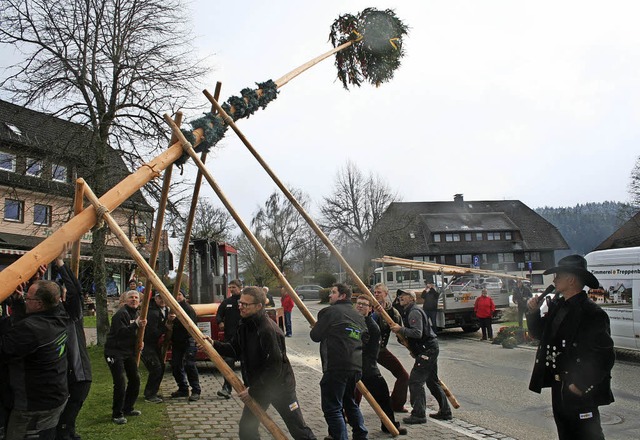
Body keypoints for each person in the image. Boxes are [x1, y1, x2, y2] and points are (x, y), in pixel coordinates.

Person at [208, 286, 316, 440]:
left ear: (259, 306)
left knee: (299, 430)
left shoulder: (268, 330)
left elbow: (275, 368)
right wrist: (213, 344)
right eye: (240, 303)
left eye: (245, 304)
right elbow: (234, 349)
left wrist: (252, 390)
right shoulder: (244, 324)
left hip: (280, 388)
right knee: (247, 429)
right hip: (258, 388)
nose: (241, 307)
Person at [526, 255, 615, 440]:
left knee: (588, 436)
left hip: (580, 388)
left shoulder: (592, 313)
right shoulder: (559, 306)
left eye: (559, 275)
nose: (554, 280)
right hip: (559, 386)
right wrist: (534, 312)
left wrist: (580, 385)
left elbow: (603, 355)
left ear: (571, 279)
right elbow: (540, 333)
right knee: (566, 434)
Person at [0, 280, 70, 439]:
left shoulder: (32, 329)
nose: (25, 298)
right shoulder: (60, 314)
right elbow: (27, 324)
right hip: (56, 396)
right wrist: (19, 302)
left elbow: (5, 349)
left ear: (39, 304)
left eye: (27, 298)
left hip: (33, 405)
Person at [310, 283, 368, 440]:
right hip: (355, 368)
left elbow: (315, 336)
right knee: (349, 402)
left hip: (336, 367)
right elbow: (365, 339)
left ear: (342, 296)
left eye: (333, 292)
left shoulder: (329, 312)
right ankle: (361, 436)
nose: (330, 295)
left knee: (333, 408)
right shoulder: (358, 316)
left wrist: (318, 327)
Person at [391, 289, 452, 424]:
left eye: (404, 295)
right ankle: (445, 411)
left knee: (415, 381)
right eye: (400, 295)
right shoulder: (408, 310)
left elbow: (417, 333)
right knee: (432, 381)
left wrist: (400, 329)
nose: (401, 297)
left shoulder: (414, 312)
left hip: (427, 350)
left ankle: (419, 414)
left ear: (412, 299)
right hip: (429, 348)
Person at [53, 248, 93, 440]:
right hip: (74, 374)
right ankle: (66, 432)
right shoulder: (67, 315)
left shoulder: (68, 314)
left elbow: (75, 291)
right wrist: (60, 264)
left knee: (69, 411)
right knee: (68, 409)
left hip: (71, 373)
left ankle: (69, 431)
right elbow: (76, 291)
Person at [355, 295, 407, 435]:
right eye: (358, 303)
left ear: (370, 309)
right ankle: (337, 431)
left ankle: (388, 425)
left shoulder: (372, 327)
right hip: (352, 367)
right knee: (347, 400)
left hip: (367, 369)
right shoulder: (352, 322)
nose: (360, 306)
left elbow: (370, 352)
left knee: (383, 396)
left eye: (364, 304)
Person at [104, 290, 146, 425]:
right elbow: (121, 333)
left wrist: (140, 342)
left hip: (128, 352)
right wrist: (136, 324)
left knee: (135, 379)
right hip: (114, 352)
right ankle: (117, 414)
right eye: (131, 298)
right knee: (120, 382)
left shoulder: (139, 314)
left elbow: (137, 333)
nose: (134, 300)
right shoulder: (120, 314)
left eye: (136, 298)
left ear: (139, 302)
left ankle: (128, 408)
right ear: (125, 300)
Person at [371, 283, 409, 413]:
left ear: (386, 294)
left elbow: (400, 331)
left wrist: (406, 341)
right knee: (360, 380)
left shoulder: (392, 311)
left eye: (379, 292)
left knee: (403, 376)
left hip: (381, 350)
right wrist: (376, 314)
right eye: (375, 292)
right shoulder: (367, 306)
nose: (376, 294)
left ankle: (396, 405)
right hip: (366, 351)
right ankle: (350, 412)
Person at [168, 289, 201, 401]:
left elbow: (191, 326)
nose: (177, 296)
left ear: (184, 296)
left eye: (179, 294)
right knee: (176, 365)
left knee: (190, 365)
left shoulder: (188, 308)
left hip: (188, 340)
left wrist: (175, 321)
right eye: (175, 294)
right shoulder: (172, 308)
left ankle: (196, 391)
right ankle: (183, 388)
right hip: (177, 342)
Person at [216, 279, 243, 399]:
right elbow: (219, 314)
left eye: (234, 287)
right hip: (230, 339)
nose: (232, 289)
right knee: (228, 363)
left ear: (240, 287)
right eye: (230, 287)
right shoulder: (226, 302)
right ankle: (226, 388)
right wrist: (220, 322)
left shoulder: (245, 301)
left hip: (244, 338)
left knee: (247, 365)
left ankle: (250, 389)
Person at [141, 292, 169, 403]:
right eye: (159, 298)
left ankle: (154, 391)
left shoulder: (166, 310)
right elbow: (152, 332)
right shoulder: (152, 312)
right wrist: (165, 328)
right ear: (155, 299)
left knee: (161, 367)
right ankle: (149, 395)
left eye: (164, 298)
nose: (162, 300)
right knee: (156, 368)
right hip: (147, 344)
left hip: (155, 344)